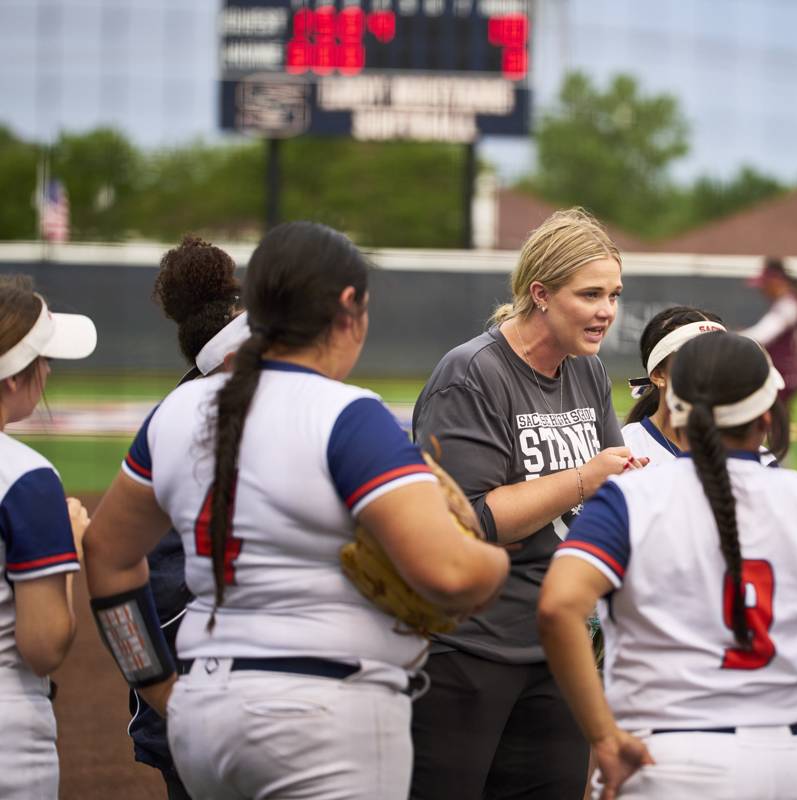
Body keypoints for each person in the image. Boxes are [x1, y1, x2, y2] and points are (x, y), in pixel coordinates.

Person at [83, 221, 509, 799]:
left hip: (204, 713)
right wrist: (492, 562)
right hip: (324, 715)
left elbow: (105, 553)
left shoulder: (177, 412)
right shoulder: (350, 416)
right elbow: (451, 574)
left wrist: (154, 681)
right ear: (349, 307)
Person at [539, 331, 797, 800]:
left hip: (669, 763)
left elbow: (558, 607)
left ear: (677, 408)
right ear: (767, 413)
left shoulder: (629, 499)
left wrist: (603, 737)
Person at [410, 208, 644, 800]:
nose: (606, 311)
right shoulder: (472, 374)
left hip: (559, 646)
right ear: (539, 293)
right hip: (470, 646)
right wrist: (582, 480)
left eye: (614, 294)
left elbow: (615, 486)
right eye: (590, 293)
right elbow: (467, 521)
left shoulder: (586, 371)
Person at [127, 236, 249, 799]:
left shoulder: (167, 417)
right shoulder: (246, 409)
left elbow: (114, 570)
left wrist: (153, 687)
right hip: (240, 694)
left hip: (189, 701)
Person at [0, 275, 96, 799]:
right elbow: (44, 645)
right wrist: (70, 551)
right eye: (44, 360)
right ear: (13, 378)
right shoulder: (26, 477)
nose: (49, 371)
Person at [623, 305, 785, 467]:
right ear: (658, 375)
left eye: (720, 357)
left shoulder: (760, 460)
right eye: (693, 357)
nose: (713, 368)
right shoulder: (623, 447)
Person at [741, 256, 797, 406]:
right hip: (782, 373)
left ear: (776, 281)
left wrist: (730, 338)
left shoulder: (788, 305)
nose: (761, 289)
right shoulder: (787, 303)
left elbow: (762, 335)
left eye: (765, 284)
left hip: (783, 374)